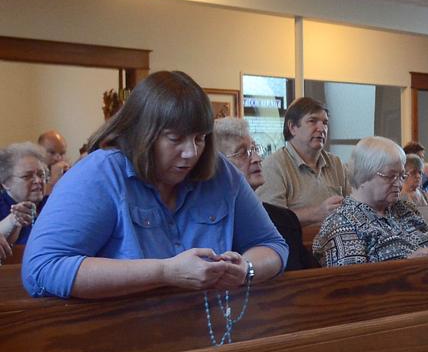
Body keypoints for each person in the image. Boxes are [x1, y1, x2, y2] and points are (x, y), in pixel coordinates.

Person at [22, 71, 287, 299]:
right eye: (175, 139)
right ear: (142, 133)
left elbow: (272, 245)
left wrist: (246, 269)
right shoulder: (100, 173)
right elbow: (42, 269)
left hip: (208, 337)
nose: (191, 153)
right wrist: (164, 272)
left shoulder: (221, 174)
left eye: (200, 138)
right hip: (115, 340)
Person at [312, 136, 428, 267]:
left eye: (402, 176)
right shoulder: (342, 221)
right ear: (364, 174)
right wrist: (407, 265)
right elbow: (351, 284)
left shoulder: (407, 209)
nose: (399, 184)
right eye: (391, 176)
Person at [213, 117, 320, 271]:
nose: (257, 158)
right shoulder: (211, 226)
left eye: (255, 149)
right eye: (243, 153)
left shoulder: (284, 219)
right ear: (216, 165)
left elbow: (311, 278)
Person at [256, 97, 350, 226]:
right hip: (295, 245)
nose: (322, 128)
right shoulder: (273, 166)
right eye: (312, 121)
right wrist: (317, 213)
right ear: (292, 127)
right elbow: (270, 221)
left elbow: (353, 208)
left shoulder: (336, 163)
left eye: (325, 122)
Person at [0, 142, 49, 251]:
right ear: (6, 183)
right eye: (27, 176)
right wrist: (13, 220)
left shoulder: (52, 203)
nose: (38, 181)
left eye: (41, 175)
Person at [36, 130, 70, 194]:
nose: (58, 158)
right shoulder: (31, 174)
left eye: (62, 153)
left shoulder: (67, 172)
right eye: (52, 152)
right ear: (39, 151)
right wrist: (54, 179)